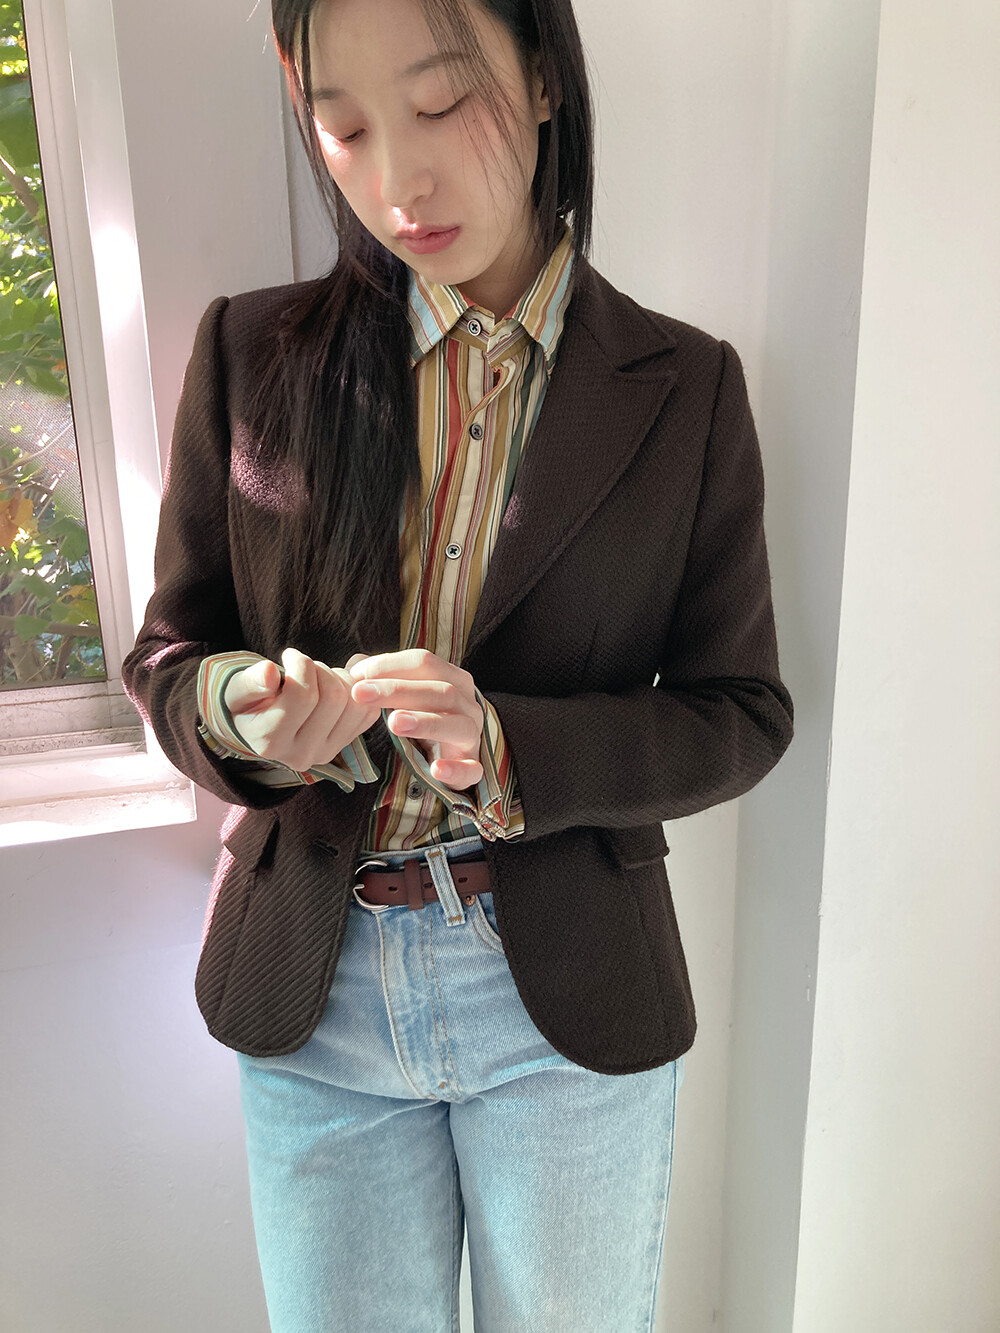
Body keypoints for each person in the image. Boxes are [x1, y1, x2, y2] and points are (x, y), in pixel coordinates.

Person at [122, 0, 794, 1327]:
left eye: (439, 106)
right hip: (313, 990)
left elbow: (741, 713)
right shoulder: (250, 356)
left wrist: (510, 748)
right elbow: (170, 654)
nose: (399, 184)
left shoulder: (686, 388)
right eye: (345, 127)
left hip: (566, 996)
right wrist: (243, 709)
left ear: (542, 78)